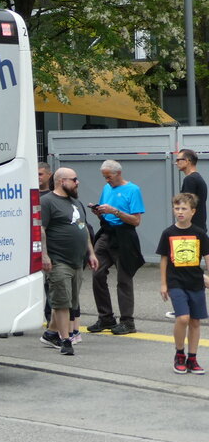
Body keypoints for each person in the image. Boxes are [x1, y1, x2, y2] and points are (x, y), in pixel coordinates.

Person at [39, 168, 98, 356]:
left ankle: (50, 334)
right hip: (58, 261)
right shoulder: (47, 202)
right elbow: (41, 230)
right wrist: (44, 255)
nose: (78, 182)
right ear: (61, 181)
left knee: (69, 301)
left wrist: (91, 253)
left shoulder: (76, 203)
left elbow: (83, 229)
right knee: (62, 302)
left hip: (77, 261)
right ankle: (65, 340)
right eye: (74, 179)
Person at [87, 159, 146, 335]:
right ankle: (105, 317)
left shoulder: (133, 190)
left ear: (118, 173)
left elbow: (136, 221)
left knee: (124, 279)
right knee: (97, 273)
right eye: (104, 177)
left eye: (109, 177)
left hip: (124, 235)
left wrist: (115, 211)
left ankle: (128, 322)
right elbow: (106, 213)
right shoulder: (107, 189)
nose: (106, 180)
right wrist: (99, 212)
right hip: (106, 233)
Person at [157, 193, 209, 374]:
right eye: (177, 208)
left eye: (184, 208)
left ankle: (192, 358)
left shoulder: (200, 233)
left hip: (195, 282)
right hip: (176, 282)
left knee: (195, 321)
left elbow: (207, 257)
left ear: (193, 211)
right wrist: (164, 284)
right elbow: (164, 260)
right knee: (183, 318)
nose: (180, 212)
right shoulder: (168, 233)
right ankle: (180, 354)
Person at [177, 150, 208, 232]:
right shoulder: (197, 178)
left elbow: (186, 205)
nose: (176, 163)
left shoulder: (190, 179)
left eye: (178, 160)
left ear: (187, 161)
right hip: (199, 228)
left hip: (192, 229)